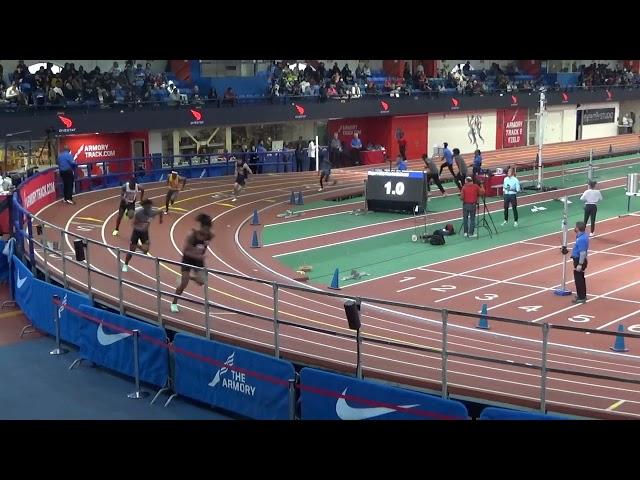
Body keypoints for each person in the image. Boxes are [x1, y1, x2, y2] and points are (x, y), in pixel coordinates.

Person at [171, 213, 214, 313]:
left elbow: (204, 246)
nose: (207, 231)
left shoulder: (210, 235)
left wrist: (201, 254)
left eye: (208, 229)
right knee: (183, 284)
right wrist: (198, 255)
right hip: (188, 258)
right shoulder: (192, 235)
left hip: (198, 260)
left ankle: (188, 276)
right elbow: (185, 251)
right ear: (201, 227)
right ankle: (174, 303)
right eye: (206, 229)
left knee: (201, 281)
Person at [121, 199, 163, 273]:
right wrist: (140, 226)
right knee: (131, 251)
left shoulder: (152, 212)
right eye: (147, 207)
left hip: (144, 233)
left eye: (149, 207)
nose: (148, 209)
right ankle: (125, 264)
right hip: (136, 232)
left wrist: (161, 219)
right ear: (143, 206)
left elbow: (161, 211)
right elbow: (133, 224)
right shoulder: (139, 214)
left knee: (145, 251)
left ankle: (136, 245)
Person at [571, 221, 590, 304]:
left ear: (578, 228)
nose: (574, 228)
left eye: (575, 227)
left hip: (579, 260)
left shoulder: (582, 239)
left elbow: (583, 253)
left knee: (579, 279)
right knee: (579, 278)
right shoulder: (581, 236)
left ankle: (582, 297)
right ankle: (581, 295)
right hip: (578, 258)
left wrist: (580, 264)